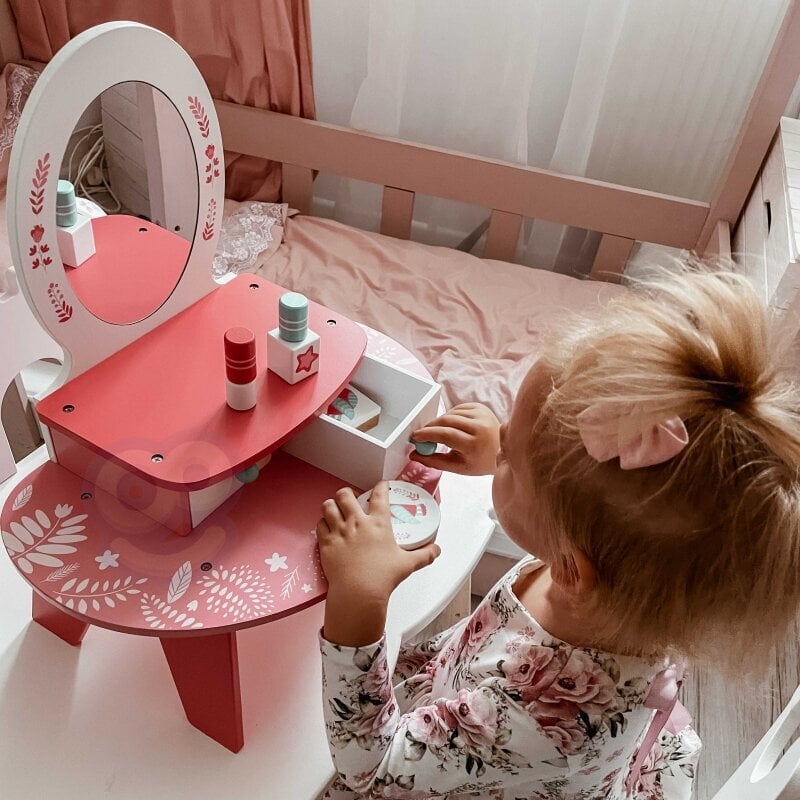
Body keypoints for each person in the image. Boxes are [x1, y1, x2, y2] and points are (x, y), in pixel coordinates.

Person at [315, 268, 800, 799]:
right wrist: (510, 461)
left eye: (510, 458)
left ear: (570, 568)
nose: (498, 442)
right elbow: (578, 504)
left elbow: (372, 768)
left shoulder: (531, 717)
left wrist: (358, 609)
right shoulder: (637, 587)